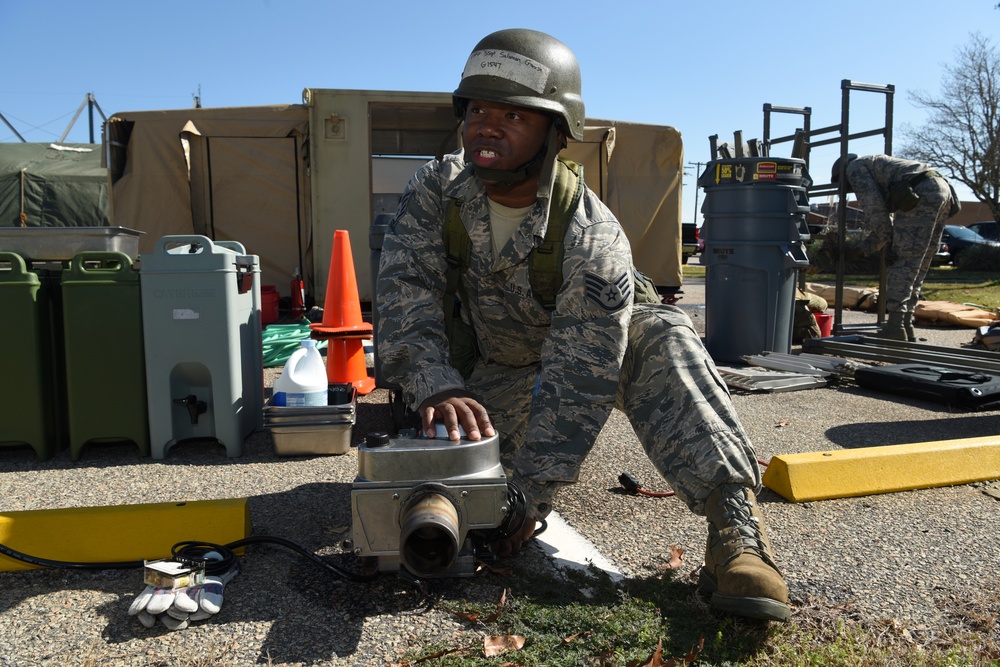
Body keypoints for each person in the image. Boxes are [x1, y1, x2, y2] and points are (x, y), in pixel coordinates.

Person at [376, 28, 790, 622]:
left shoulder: (591, 235)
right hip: (486, 376)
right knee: (442, 512)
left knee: (664, 336)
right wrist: (436, 383)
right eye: (478, 109)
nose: (487, 127)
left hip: (587, 360)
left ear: (554, 130)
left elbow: (580, 373)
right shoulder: (436, 191)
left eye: (514, 115)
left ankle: (738, 533)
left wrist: (533, 491)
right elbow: (403, 295)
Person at [831, 153, 958, 341]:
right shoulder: (877, 164)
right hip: (942, 190)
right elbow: (884, 222)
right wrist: (866, 248)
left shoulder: (854, 169)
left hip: (921, 192)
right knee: (918, 263)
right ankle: (906, 325)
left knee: (903, 262)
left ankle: (895, 327)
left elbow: (877, 214)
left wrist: (872, 247)